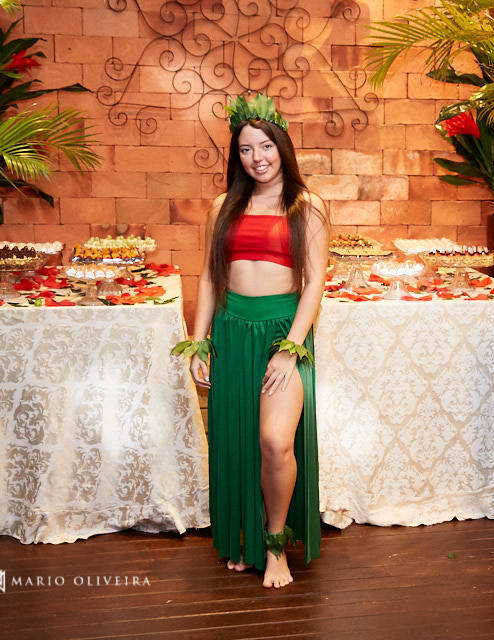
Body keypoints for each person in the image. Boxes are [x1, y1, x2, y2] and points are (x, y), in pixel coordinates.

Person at [188, 93, 328, 589]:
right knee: (238, 438)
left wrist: (291, 349)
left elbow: (313, 284)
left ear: (281, 147)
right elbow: (208, 277)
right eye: (246, 150)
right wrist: (199, 340)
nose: (257, 158)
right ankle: (246, 539)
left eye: (265, 146)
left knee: (273, 440)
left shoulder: (304, 207)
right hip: (231, 329)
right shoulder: (221, 206)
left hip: (280, 333)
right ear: (236, 157)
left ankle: (274, 543)